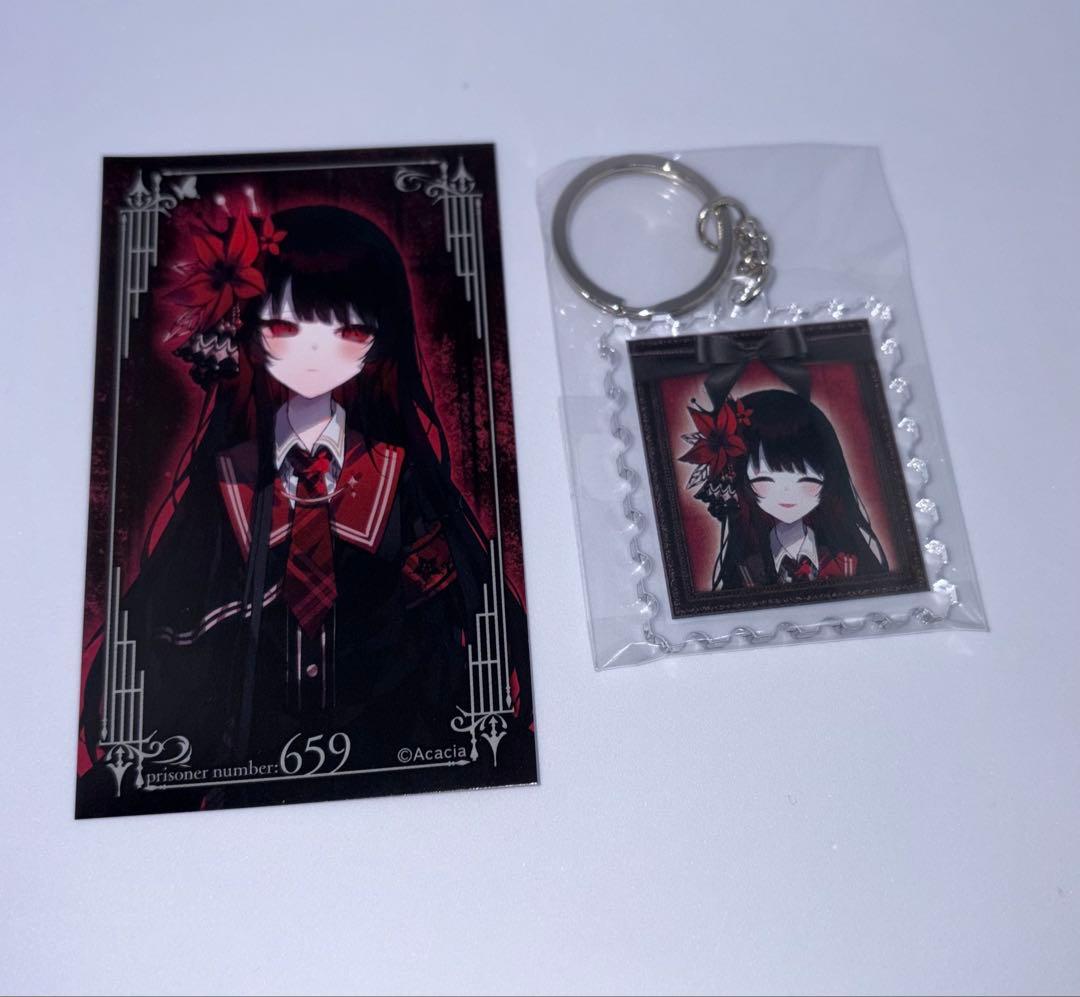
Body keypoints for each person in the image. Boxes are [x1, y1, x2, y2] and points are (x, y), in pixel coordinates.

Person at [78, 203, 531, 814]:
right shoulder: (231, 478)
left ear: (379, 338)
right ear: (248, 330)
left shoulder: (395, 474)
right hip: (254, 752)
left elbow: (444, 623)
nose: (315, 353)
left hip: (388, 748)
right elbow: (181, 617)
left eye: (349, 331)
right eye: (286, 327)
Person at [679, 388, 887, 590]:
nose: (787, 493)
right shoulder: (747, 570)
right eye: (765, 480)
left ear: (831, 478)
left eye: (806, 480)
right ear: (740, 480)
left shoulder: (846, 561)